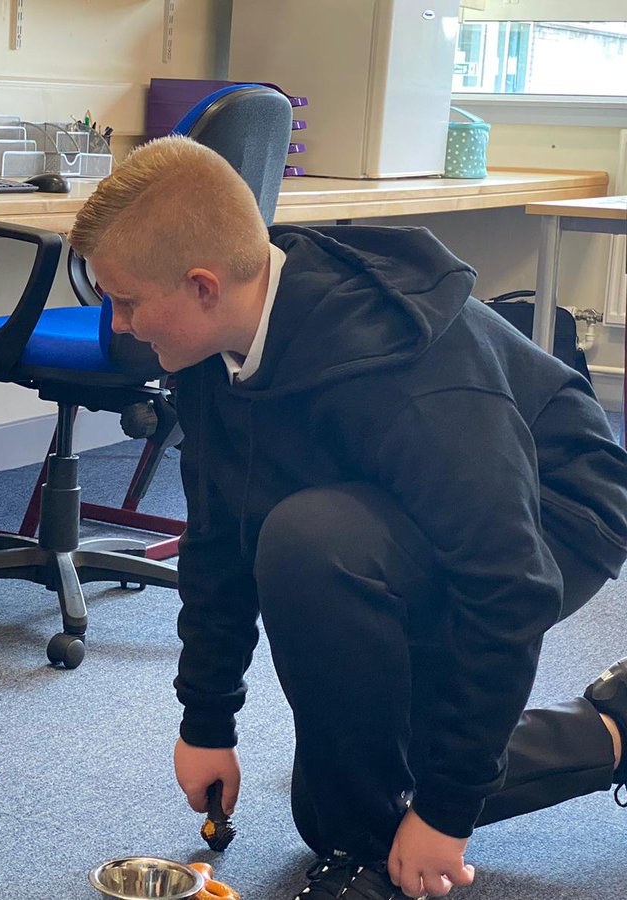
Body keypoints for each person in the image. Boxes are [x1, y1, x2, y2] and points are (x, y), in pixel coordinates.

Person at [68, 135, 627, 900]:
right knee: (335, 800)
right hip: (400, 497)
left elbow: (509, 586)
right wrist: (207, 720)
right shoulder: (206, 349)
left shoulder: (409, 376)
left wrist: (447, 812)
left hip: (551, 508)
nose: (119, 322)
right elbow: (216, 541)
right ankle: (612, 727)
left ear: (203, 286)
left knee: (310, 544)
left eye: (125, 300)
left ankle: (370, 854)